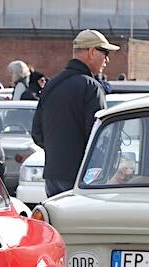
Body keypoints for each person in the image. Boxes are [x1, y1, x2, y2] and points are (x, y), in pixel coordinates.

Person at [32, 29, 117, 197]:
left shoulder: (51, 84)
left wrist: (59, 150)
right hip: (82, 177)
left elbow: (37, 133)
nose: (107, 59)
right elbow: (98, 139)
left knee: (57, 223)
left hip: (53, 175)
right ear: (92, 52)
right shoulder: (91, 87)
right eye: (105, 53)